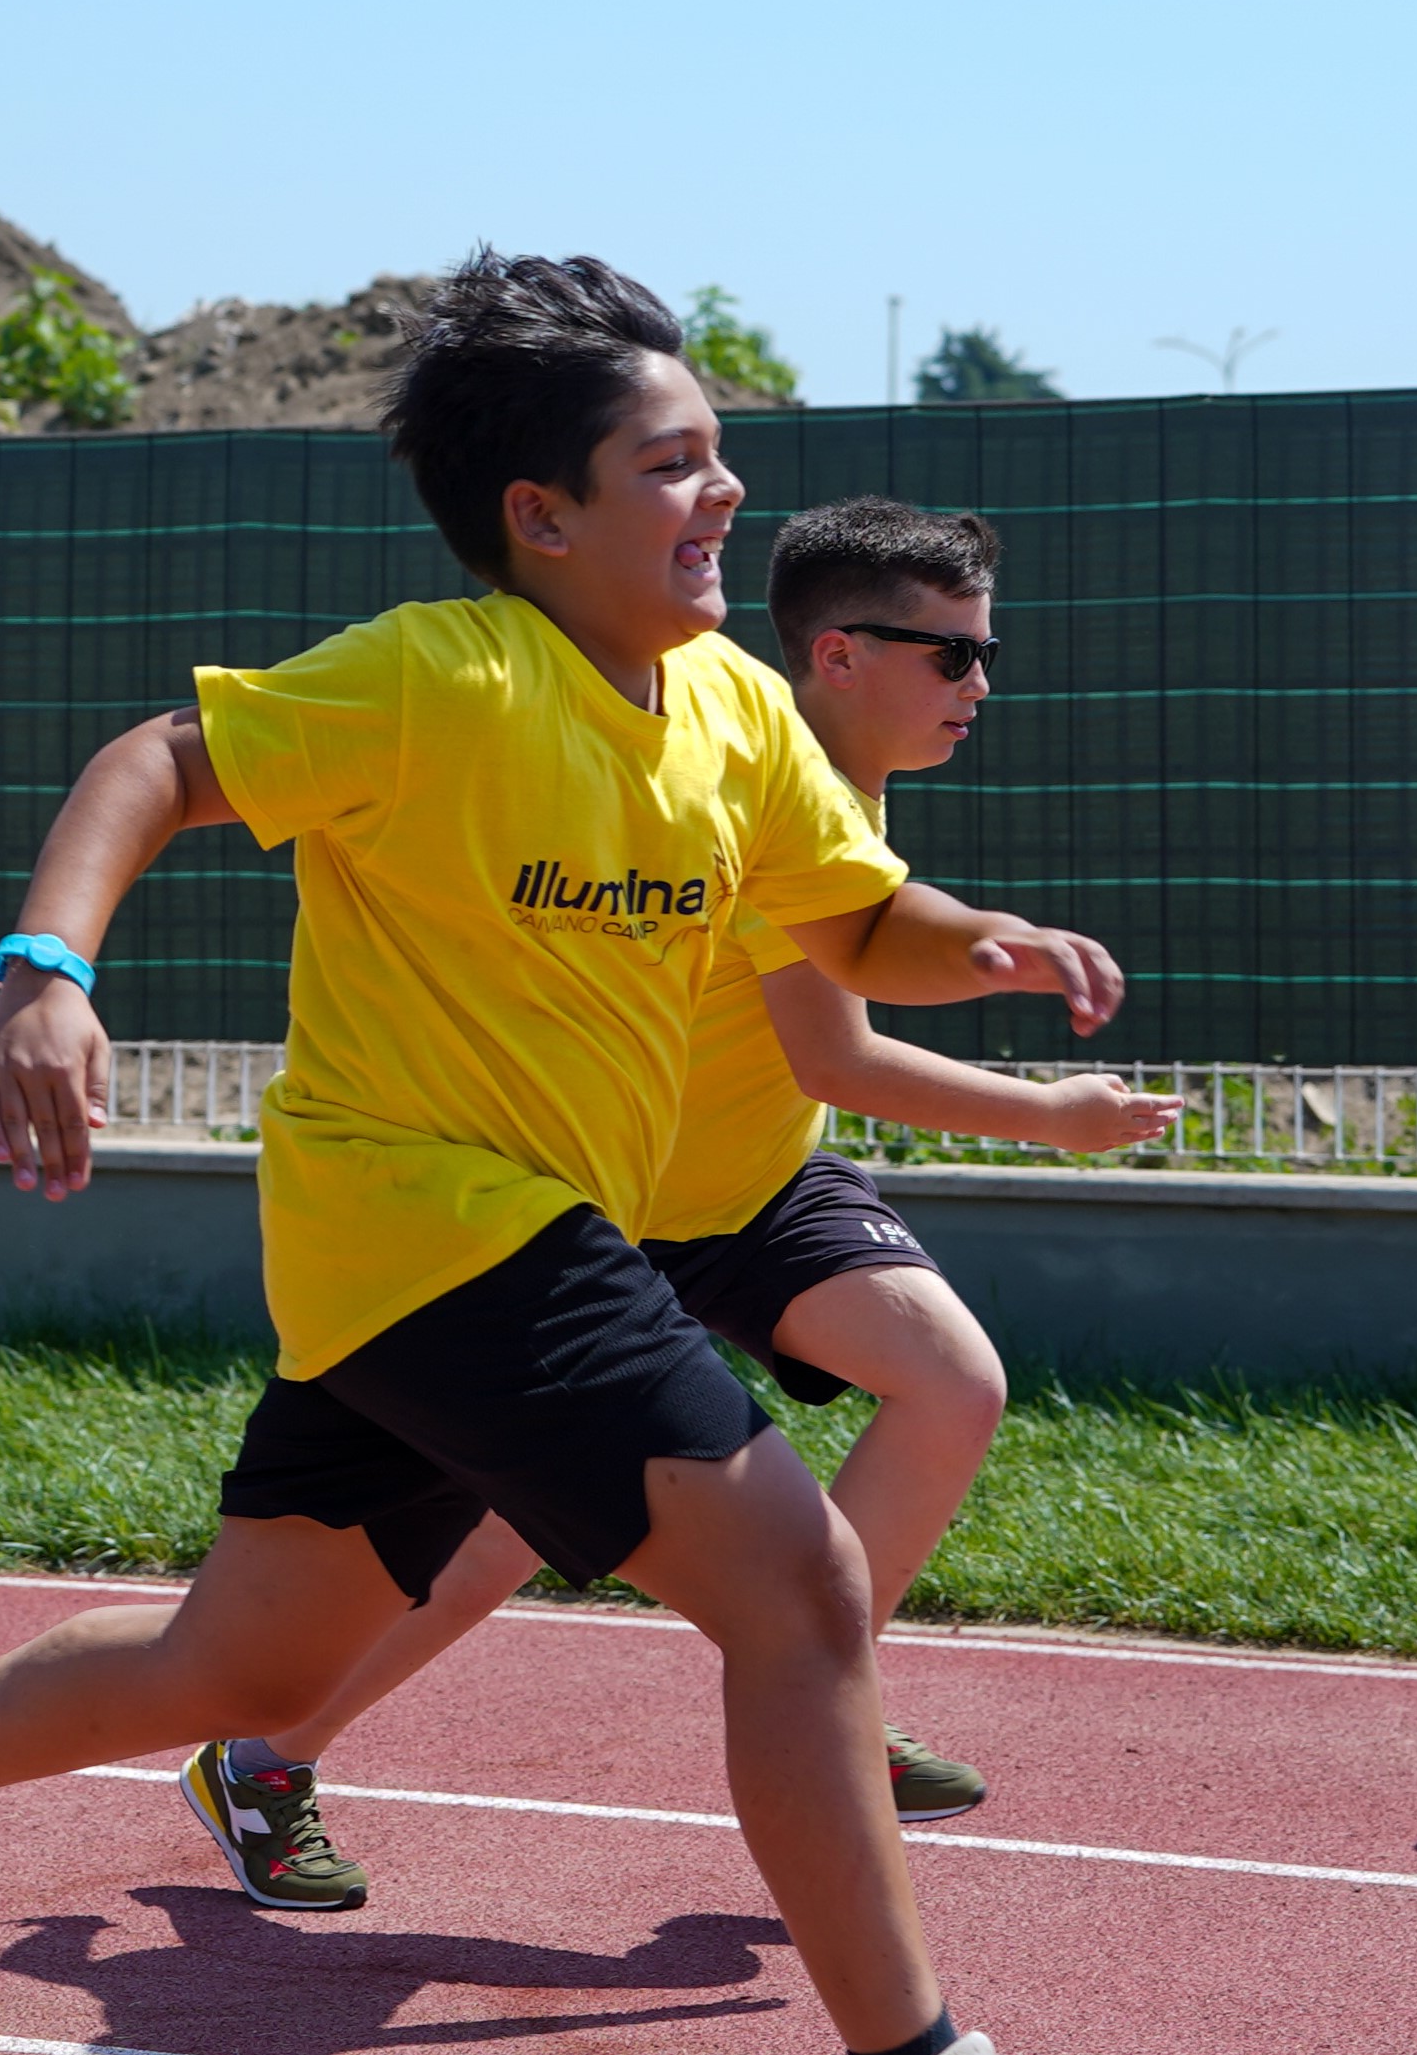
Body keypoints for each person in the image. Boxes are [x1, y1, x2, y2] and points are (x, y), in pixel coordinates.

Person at [0, 253, 1172, 2055]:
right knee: (796, 1581)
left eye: (723, 455)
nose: (721, 493)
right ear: (540, 520)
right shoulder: (438, 677)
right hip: (438, 1222)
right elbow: (154, 765)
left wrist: (974, 937)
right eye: (672, 464)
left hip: (481, 1254)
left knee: (251, 1670)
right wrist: (45, 973)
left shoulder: (735, 709)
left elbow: (851, 923)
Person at [170, 496, 1178, 1915]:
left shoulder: (834, 790)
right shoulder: (725, 765)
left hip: (755, 1185)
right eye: (950, 657)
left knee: (951, 1381)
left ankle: (818, 1685)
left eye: (984, 652)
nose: (978, 685)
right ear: (837, 655)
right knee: (490, 1546)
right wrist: (1050, 1115)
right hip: (598, 1204)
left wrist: (988, 949)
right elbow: (833, 1049)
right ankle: (264, 1760)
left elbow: (861, 978)